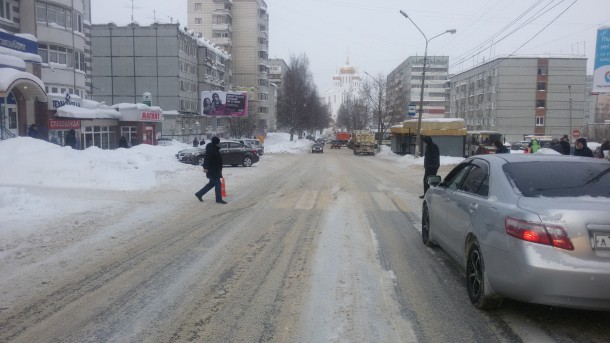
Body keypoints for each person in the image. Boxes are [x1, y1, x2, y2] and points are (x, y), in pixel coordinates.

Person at [195, 137, 227, 204]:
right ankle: (218, 199)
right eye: (218, 143)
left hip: (215, 169)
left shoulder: (214, 148)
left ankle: (199, 194)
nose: (219, 144)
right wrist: (206, 167)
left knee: (211, 184)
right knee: (218, 184)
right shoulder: (211, 149)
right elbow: (207, 159)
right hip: (213, 170)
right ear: (216, 143)